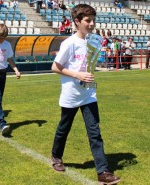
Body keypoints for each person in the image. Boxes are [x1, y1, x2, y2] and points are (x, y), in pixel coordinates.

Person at [50, 4, 121, 185]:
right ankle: (56, 157)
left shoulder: (93, 41)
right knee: (63, 129)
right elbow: (55, 67)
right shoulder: (69, 43)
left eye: (93, 20)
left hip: (89, 94)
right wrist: (78, 75)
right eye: (87, 20)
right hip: (71, 95)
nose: (91, 24)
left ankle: (103, 172)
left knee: (94, 133)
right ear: (77, 21)